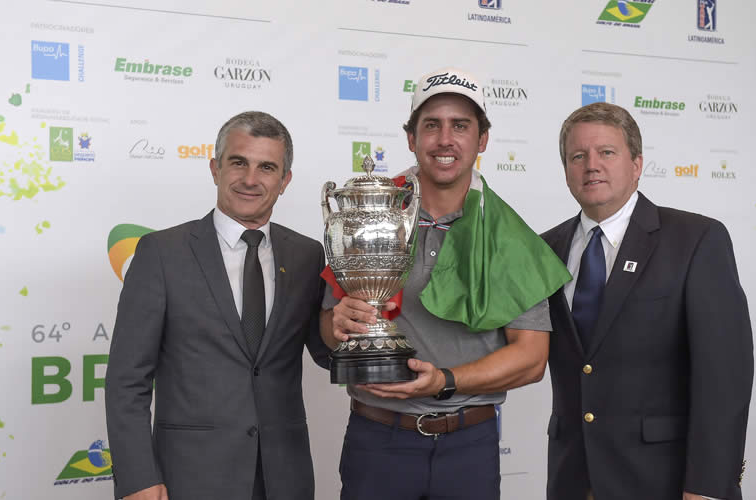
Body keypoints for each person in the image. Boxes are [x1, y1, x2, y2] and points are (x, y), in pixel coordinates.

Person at [320, 67, 571, 500]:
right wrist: (338, 323)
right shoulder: (371, 216)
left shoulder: (508, 236)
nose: (444, 139)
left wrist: (445, 380)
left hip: (467, 446)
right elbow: (329, 332)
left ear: (482, 140)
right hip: (376, 440)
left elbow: (532, 359)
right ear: (412, 138)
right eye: (431, 125)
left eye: (461, 126)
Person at [105, 111, 330, 500]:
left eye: (267, 167)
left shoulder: (308, 255)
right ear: (215, 168)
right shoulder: (161, 254)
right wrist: (137, 476)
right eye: (238, 162)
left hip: (284, 477)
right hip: (190, 478)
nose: (250, 179)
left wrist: (359, 320)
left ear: (284, 181)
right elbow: (127, 379)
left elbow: (326, 353)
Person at [541, 102, 754, 500]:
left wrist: (708, 487)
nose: (591, 165)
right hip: (573, 478)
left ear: (637, 164)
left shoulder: (695, 240)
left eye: (607, 152)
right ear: (566, 168)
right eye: (577, 155)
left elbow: (725, 379)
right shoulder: (543, 250)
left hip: (665, 481)